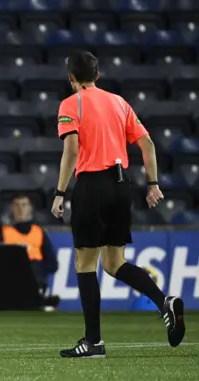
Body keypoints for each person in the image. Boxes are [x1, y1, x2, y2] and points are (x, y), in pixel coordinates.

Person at [50, 51, 185, 358]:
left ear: (71, 77)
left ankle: (94, 342)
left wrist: (59, 192)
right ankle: (164, 301)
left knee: (85, 264)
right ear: (97, 75)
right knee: (113, 263)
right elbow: (147, 144)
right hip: (121, 186)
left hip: (92, 186)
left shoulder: (72, 104)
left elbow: (71, 150)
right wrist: (153, 184)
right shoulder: (119, 102)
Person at [0, 194, 58, 307]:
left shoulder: (38, 231)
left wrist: (37, 271)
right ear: (11, 208)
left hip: (35, 279)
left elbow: (53, 264)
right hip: (9, 281)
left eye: (24, 205)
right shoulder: (1, 232)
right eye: (17, 205)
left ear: (30, 208)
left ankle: (39, 297)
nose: (20, 209)